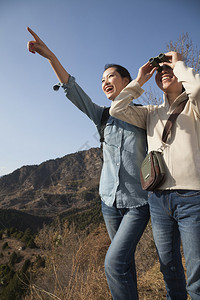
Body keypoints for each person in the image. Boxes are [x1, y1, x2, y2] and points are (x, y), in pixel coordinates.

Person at [27, 27, 150, 300]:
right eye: (102, 79)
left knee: (114, 263)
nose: (105, 82)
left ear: (128, 82)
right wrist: (50, 57)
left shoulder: (146, 116)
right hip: (108, 203)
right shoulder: (102, 116)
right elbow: (73, 89)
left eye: (111, 77)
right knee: (124, 265)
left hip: (137, 205)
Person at [109, 51, 200, 300]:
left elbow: (197, 88)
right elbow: (117, 109)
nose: (164, 74)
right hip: (158, 201)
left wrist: (178, 64)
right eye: (161, 73)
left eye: (168, 71)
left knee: (197, 278)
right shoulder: (151, 112)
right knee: (169, 270)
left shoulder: (194, 106)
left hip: (193, 198)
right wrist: (139, 80)